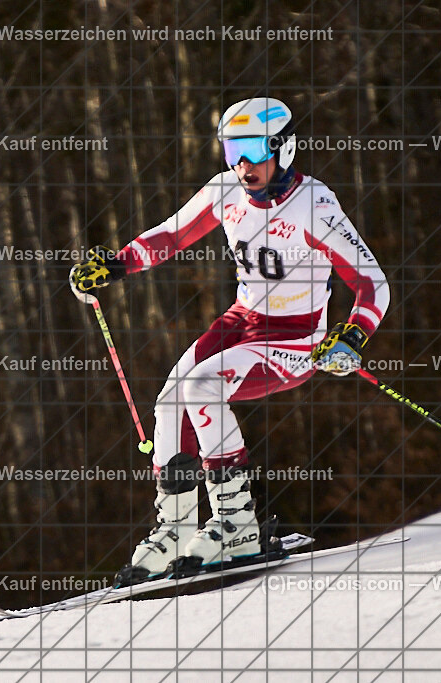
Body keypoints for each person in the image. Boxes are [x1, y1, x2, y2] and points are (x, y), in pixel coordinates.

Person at [69, 96, 390, 585]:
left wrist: (353, 336)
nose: (243, 164)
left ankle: (238, 522)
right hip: (242, 322)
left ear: (283, 149)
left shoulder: (314, 205)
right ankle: (175, 527)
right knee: (171, 398)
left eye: (255, 149)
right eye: (231, 150)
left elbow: (373, 282)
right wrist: (115, 265)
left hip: (298, 337)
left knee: (201, 387)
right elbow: (172, 236)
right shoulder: (226, 191)